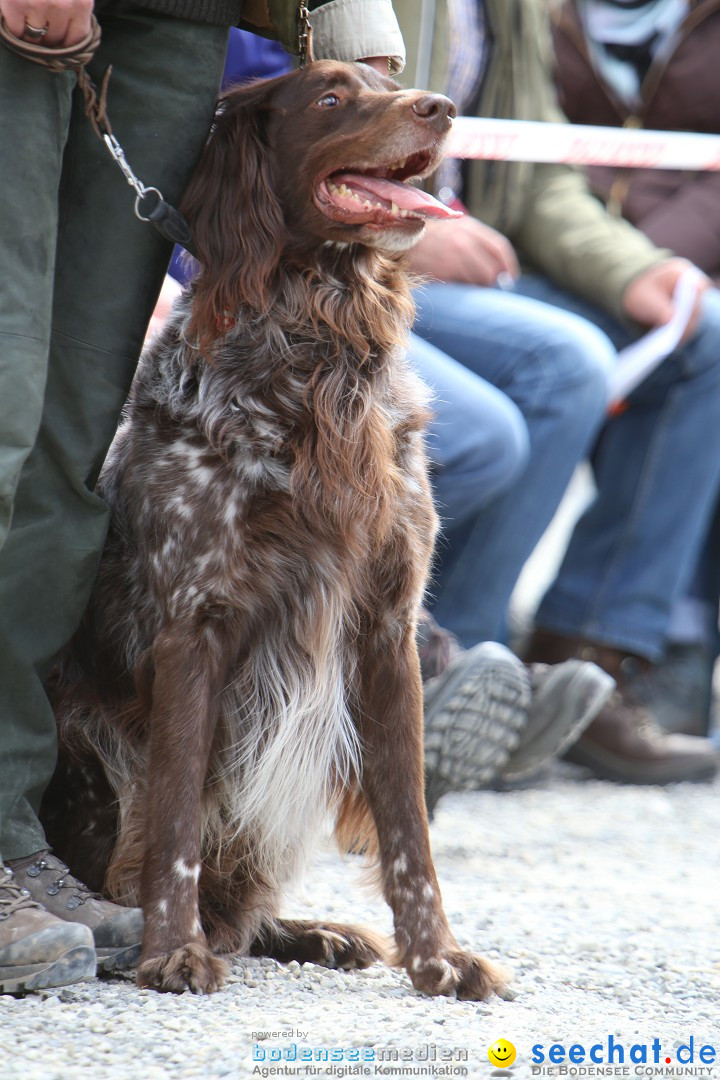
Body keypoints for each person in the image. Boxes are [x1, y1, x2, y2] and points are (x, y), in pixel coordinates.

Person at [0, 0, 405, 995]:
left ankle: (12, 836)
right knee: (4, 422)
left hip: (176, 20)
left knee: (70, 453)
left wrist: (350, 12)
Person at [392, 0, 720, 785]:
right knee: (560, 363)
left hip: (484, 261)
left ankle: (588, 657)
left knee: (701, 334)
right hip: (365, 258)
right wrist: (403, 223)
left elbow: (539, 180)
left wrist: (636, 268)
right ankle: (448, 667)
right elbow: (272, 123)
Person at [550, 0, 720, 735]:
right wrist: (613, 270)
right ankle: (526, 657)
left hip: (680, 259)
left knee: (705, 341)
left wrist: (641, 266)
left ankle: (636, 645)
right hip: (560, 251)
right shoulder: (532, 15)